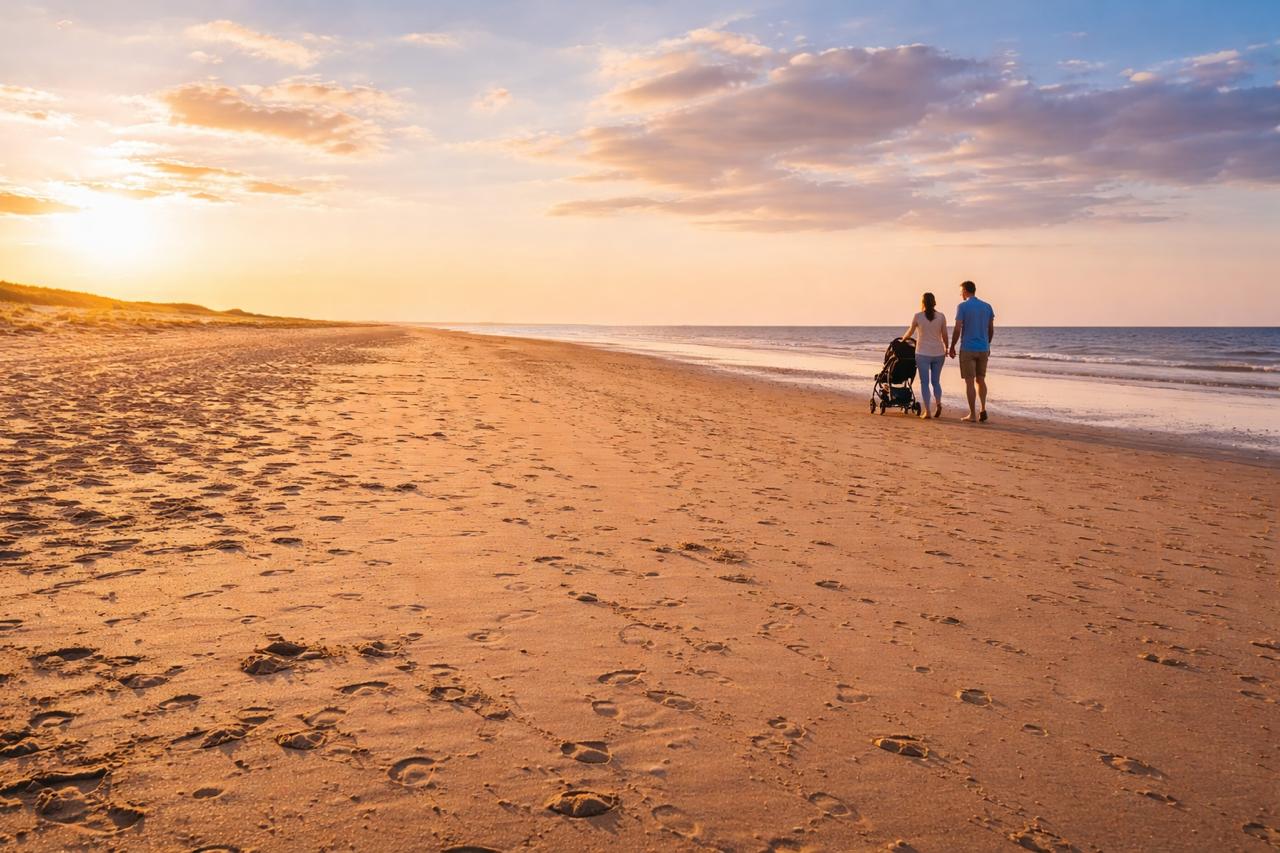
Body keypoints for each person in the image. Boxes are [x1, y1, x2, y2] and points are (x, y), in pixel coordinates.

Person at [948, 280, 995, 423]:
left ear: (966, 291)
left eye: (961, 291)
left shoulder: (962, 306)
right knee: (981, 380)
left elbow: (957, 328)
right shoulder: (987, 307)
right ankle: (983, 408)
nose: (960, 294)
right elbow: (991, 329)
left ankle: (973, 415)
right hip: (983, 348)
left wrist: (952, 346)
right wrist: (987, 344)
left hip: (968, 348)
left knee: (969, 382)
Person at [902, 292, 947, 419]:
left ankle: (927, 411)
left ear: (922, 303)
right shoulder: (941, 316)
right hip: (939, 353)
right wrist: (947, 348)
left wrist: (903, 340)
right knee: (936, 381)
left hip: (922, 353)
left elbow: (910, 332)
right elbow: (944, 335)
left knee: (925, 383)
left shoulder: (918, 316)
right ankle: (938, 403)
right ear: (934, 302)